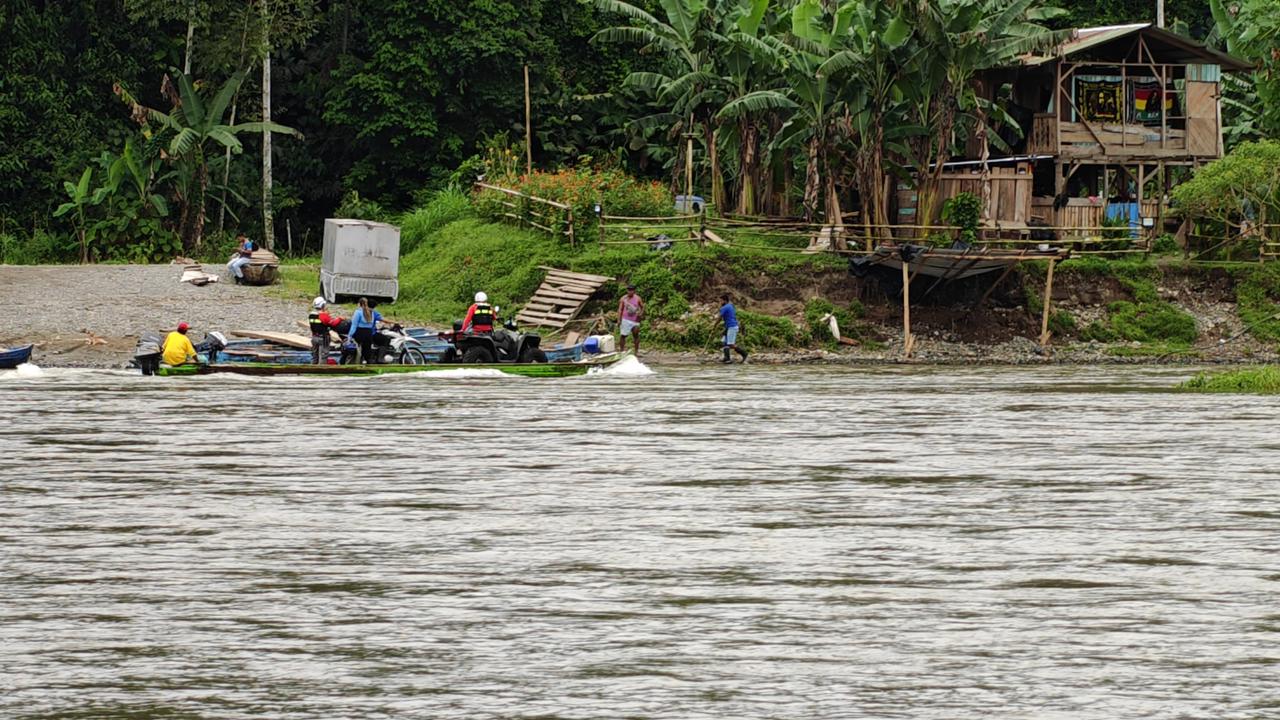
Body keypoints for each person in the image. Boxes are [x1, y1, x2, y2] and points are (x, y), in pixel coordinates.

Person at [346, 297, 384, 363]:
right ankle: (367, 361)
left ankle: (356, 360)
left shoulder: (358, 312)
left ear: (359, 304)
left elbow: (354, 326)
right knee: (367, 350)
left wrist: (349, 336)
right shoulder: (371, 313)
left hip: (359, 332)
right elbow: (371, 324)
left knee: (356, 348)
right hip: (368, 333)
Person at [308, 297, 344, 364]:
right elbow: (333, 323)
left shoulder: (311, 315)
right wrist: (340, 319)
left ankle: (313, 368)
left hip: (314, 337)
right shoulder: (323, 315)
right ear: (322, 305)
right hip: (323, 338)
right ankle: (321, 369)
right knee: (323, 356)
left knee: (314, 356)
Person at [717, 294, 748, 364]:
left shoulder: (724, 307)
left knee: (731, 344)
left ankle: (744, 354)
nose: (720, 302)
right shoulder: (731, 306)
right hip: (729, 326)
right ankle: (727, 358)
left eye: (721, 301)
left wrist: (715, 325)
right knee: (724, 342)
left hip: (732, 326)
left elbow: (720, 318)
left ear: (725, 301)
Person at [616, 283, 645, 355]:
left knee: (636, 334)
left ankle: (636, 351)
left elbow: (642, 306)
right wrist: (619, 319)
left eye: (631, 290)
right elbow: (620, 309)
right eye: (629, 290)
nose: (630, 291)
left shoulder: (638, 298)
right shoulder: (623, 299)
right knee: (623, 335)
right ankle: (622, 351)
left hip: (635, 320)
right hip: (625, 319)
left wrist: (641, 314)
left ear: (634, 291)